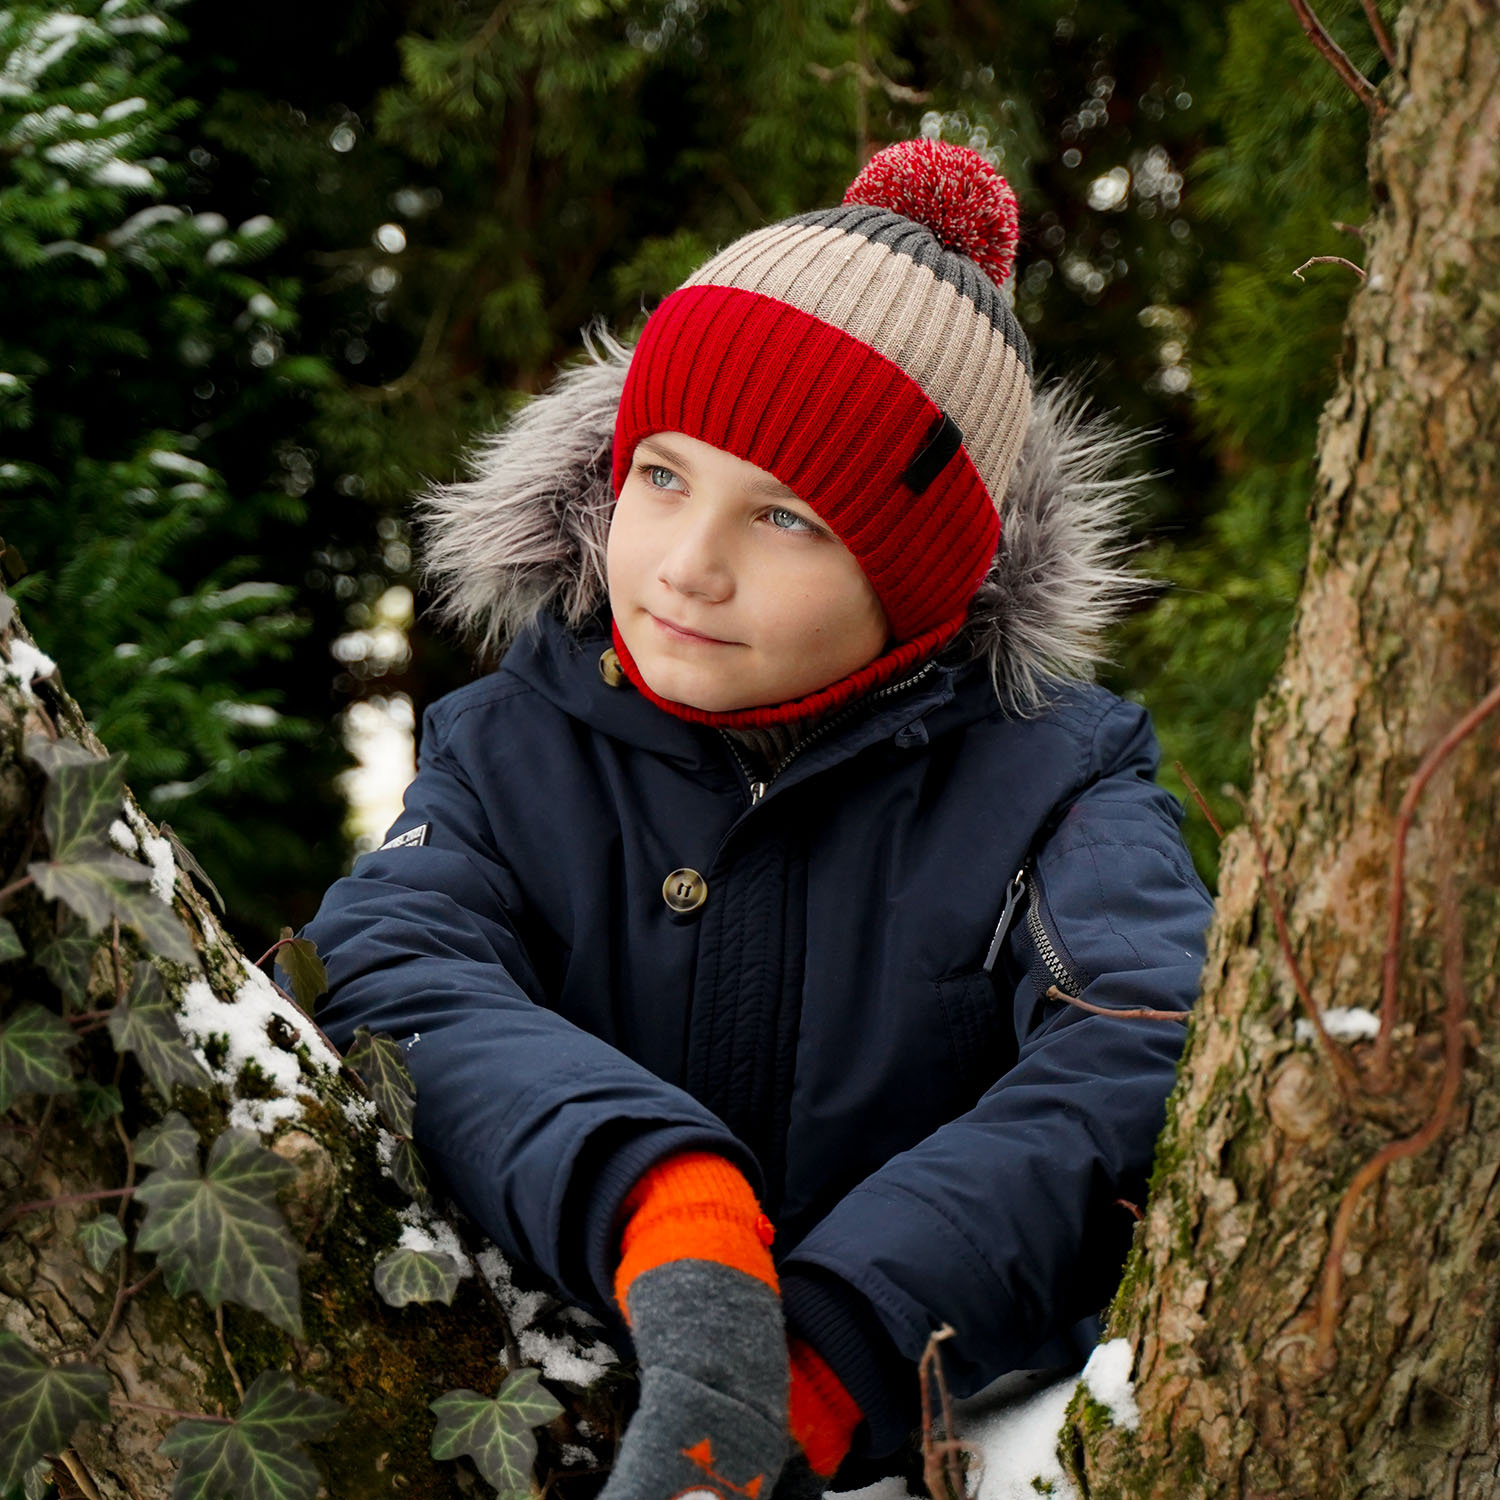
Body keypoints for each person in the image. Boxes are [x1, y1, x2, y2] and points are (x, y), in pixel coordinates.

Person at [299, 138, 1213, 1500]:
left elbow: (1144, 1053)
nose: (687, 565)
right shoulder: (513, 746)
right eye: (663, 475)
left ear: (922, 578)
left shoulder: (1056, 789)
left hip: (906, 1453)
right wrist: (664, 1202)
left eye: (785, 518)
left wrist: (834, 1349)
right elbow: (391, 962)